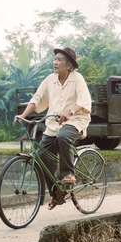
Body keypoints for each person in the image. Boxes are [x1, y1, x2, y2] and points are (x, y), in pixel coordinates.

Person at [16, 47, 92, 210]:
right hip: (53, 123)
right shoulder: (50, 79)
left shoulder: (77, 79)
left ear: (69, 65)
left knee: (63, 137)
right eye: (55, 59)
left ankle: (68, 174)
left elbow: (84, 101)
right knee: (42, 154)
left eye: (59, 60)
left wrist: (70, 111)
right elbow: (36, 98)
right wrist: (23, 115)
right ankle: (56, 192)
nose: (55, 62)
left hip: (76, 120)